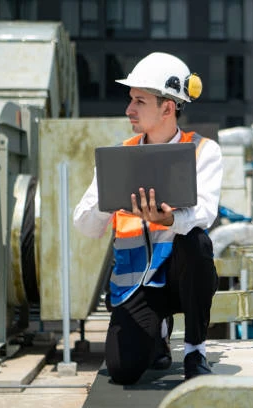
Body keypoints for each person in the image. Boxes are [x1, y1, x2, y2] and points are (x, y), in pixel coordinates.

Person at [73, 52, 223, 385]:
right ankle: (159, 332)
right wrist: (110, 198)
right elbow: (84, 223)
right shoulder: (118, 157)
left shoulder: (203, 151)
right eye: (131, 100)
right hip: (136, 285)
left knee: (196, 242)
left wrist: (169, 220)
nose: (129, 109)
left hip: (181, 277)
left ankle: (195, 351)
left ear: (167, 108)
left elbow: (206, 212)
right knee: (122, 371)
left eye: (139, 101)